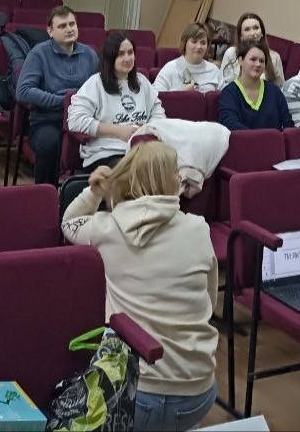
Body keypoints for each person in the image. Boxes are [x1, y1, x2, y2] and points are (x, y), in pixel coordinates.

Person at [62, 142, 218, 431]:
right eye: (176, 172)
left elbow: (68, 222)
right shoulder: (199, 228)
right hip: (198, 391)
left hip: (135, 391)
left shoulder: (107, 228)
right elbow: (210, 303)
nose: (181, 177)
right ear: (169, 182)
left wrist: (95, 192)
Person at [16, 6, 98, 186]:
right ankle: (46, 195)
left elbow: (99, 89)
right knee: (49, 144)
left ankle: (86, 194)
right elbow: (23, 91)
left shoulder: (90, 55)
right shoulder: (39, 53)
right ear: (50, 31)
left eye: (72, 24)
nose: (69, 29)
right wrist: (63, 102)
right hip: (48, 120)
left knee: (105, 143)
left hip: (83, 120)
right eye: (62, 26)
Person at [68, 32, 166, 169]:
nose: (127, 58)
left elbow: (158, 113)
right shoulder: (95, 83)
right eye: (120, 54)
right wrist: (119, 131)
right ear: (110, 57)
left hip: (141, 148)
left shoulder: (142, 81)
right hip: (106, 153)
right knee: (139, 170)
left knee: (170, 164)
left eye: (130, 52)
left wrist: (148, 128)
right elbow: (75, 121)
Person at [218, 39, 294, 131]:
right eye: (253, 59)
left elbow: (288, 124)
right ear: (241, 60)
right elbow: (229, 124)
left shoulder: (275, 91)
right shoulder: (229, 93)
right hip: (243, 140)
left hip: (272, 140)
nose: (258, 64)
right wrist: (257, 138)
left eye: (262, 61)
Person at [154, 22, 223, 93]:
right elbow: (155, 96)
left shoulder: (214, 71)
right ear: (185, 43)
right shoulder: (170, 68)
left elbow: (225, 95)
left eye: (203, 43)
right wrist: (183, 93)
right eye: (194, 42)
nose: (199, 47)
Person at [219, 12, 284, 86]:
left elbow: (280, 87)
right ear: (241, 36)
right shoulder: (231, 53)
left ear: (262, 33)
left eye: (256, 28)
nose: (252, 33)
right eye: (247, 29)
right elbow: (222, 85)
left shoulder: (274, 57)